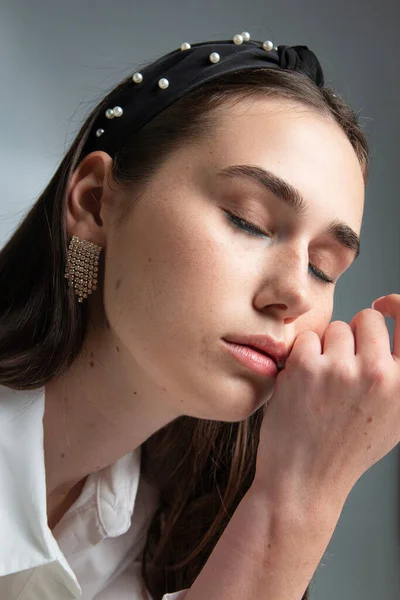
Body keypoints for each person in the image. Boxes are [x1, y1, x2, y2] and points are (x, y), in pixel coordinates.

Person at [0, 33, 399, 600]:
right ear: (93, 202)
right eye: (249, 221)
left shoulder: (174, 543)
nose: (293, 295)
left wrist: (301, 493)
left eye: (323, 268)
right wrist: (297, 499)